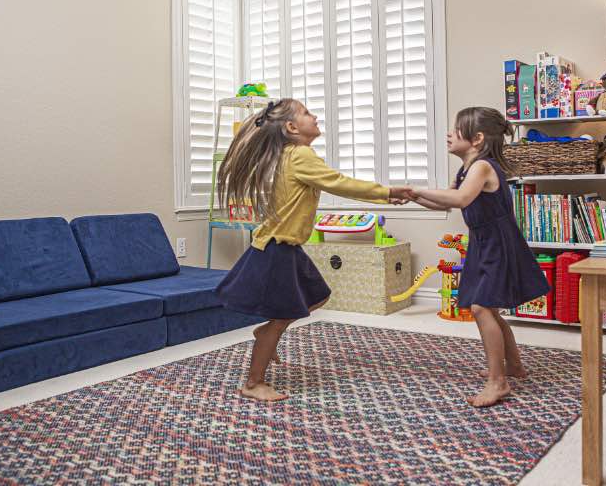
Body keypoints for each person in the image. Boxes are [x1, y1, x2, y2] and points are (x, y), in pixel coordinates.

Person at [215, 98, 413, 402]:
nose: (315, 116)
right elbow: (339, 183)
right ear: (292, 127)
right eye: (307, 113)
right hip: (276, 249)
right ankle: (254, 382)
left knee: (318, 296)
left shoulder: (291, 154)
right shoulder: (300, 155)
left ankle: (266, 333)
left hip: (288, 247)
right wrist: (387, 193)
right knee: (281, 317)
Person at [408, 107, 549, 406]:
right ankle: (514, 366)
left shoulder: (482, 167)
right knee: (491, 310)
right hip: (483, 242)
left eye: (456, 129)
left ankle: (498, 382)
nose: (449, 133)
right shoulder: (465, 169)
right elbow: (445, 203)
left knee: (482, 308)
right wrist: (413, 197)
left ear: (477, 139)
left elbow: (461, 199)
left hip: (497, 242)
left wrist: (415, 189)